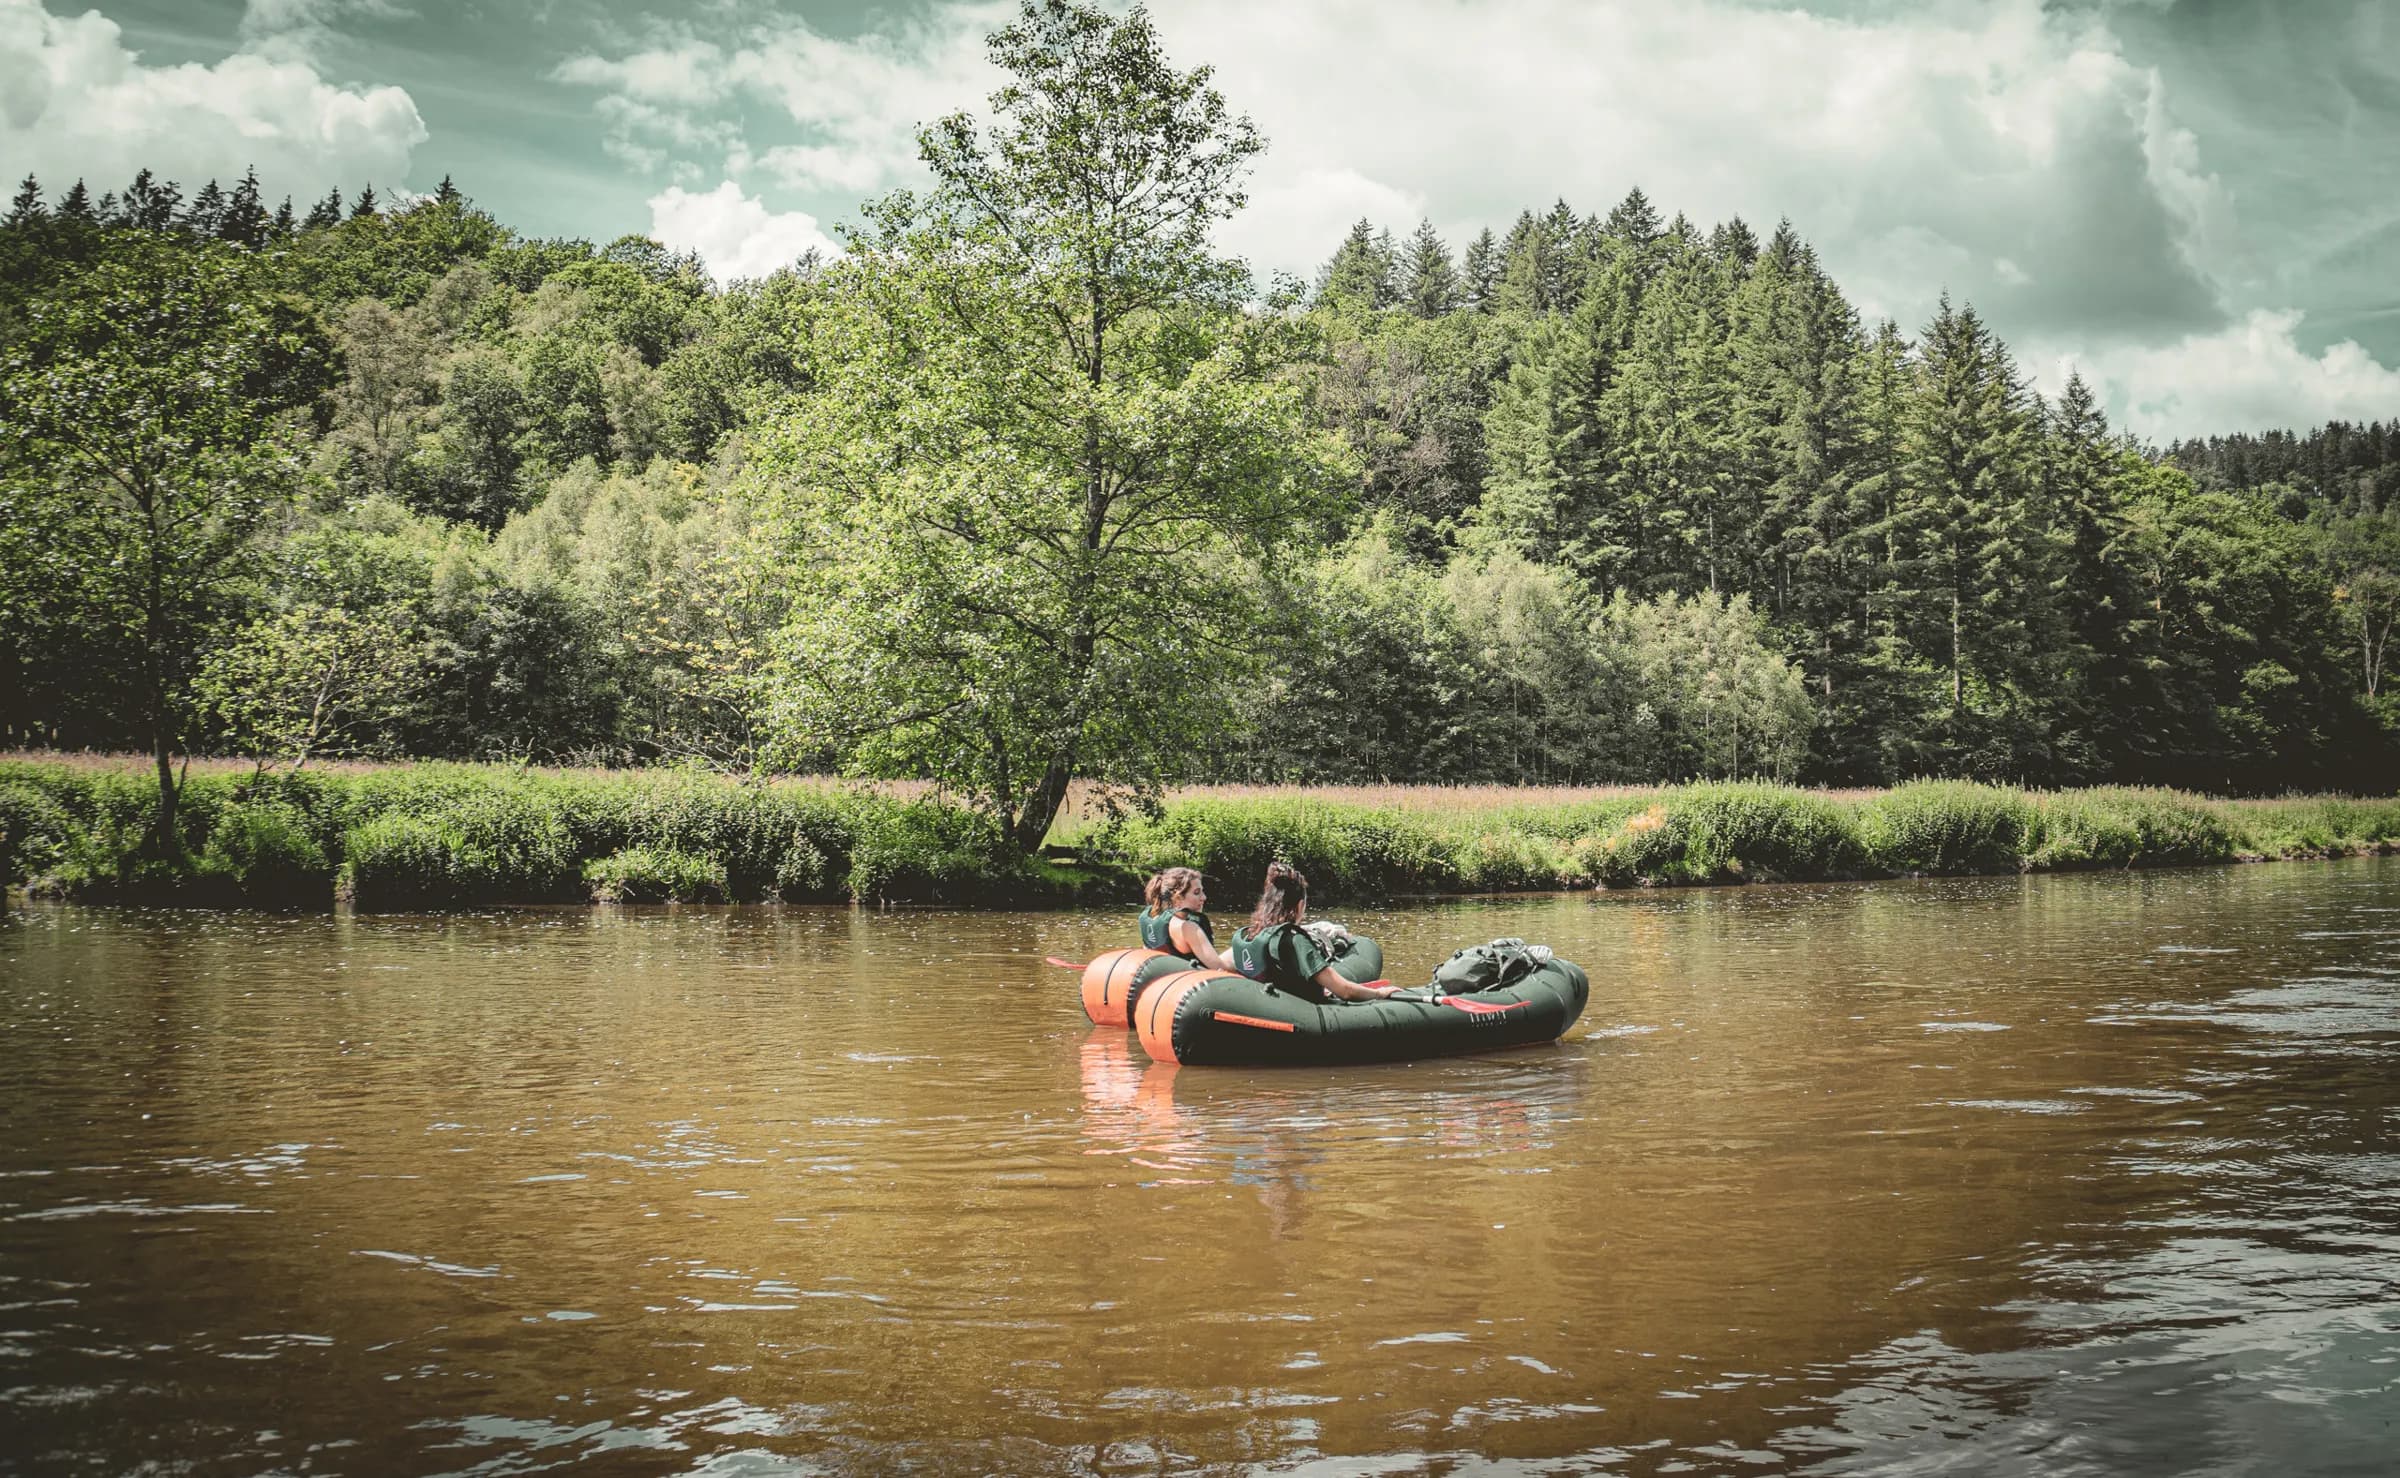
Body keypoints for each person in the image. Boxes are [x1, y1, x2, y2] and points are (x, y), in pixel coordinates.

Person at [1228, 861, 1399, 1002]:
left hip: (1270, 1006)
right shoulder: (1295, 940)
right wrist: (1380, 993)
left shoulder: (1251, 934)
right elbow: (1345, 991)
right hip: (1303, 1015)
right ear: (1300, 905)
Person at [1138, 866, 1236, 973]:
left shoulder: (1150, 918)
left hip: (1166, 979)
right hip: (1194, 982)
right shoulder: (1187, 927)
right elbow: (1220, 968)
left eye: (1202, 891)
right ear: (1178, 898)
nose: (1204, 897)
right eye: (1197, 892)